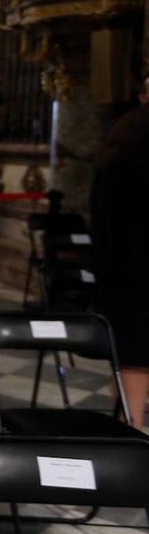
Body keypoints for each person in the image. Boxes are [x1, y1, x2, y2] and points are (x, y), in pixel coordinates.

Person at [91, 74, 149, 430]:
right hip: (137, 266)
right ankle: (130, 437)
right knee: (136, 358)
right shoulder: (135, 135)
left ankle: (127, 430)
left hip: (122, 266)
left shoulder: (124, 132)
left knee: (129, 358)